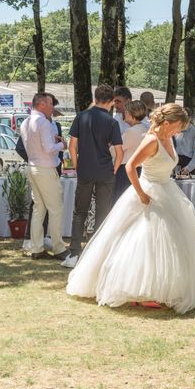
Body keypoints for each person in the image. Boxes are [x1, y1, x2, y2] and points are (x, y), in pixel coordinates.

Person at [66, 103, 195, 313]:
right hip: (148, 191)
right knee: (146, 239)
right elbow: (131, 166)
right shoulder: (151, 141)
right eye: (178, 126)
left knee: (173, 240)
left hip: (167, 190)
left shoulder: (168, 138)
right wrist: (142, 194)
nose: (180, 131)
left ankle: (168, 285)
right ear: (167, 123)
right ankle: (139, 290)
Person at [63, 85, 123, 268]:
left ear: (94, 98)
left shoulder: (82, 117)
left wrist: (76, 164)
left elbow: (71, 146)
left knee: (79, 211)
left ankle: (74, 253)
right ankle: (98, 255)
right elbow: (119, 152)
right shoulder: (112, 122)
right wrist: (114, 168)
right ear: (112, 101)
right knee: (103, 213)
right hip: (105, 170)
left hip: (85, 170)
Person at [20, 93, 69, 260]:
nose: (52, 107)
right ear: (41, 105)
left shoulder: (26, 122)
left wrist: (53, 142)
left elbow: (37, 145)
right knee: (55, 209)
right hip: (45, 168)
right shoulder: (43, 122)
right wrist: (62, 144)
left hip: (33, 166)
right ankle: (59, 248)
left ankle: (36, 247)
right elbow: (48, 148)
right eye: (49, 104)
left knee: (39, 209)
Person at [113, 100, 147, 203]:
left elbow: (115, 150)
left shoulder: (131, 131)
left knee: (121, 201)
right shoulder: (143, 129)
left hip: (125, 171)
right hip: (138, 169)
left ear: (132, 114)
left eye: (126, 112)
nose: (125, 114)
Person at [174, 107, 195, 176]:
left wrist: (188, 168)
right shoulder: (175, 131)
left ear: (189, 118)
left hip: (189, 164)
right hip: (176, 164)